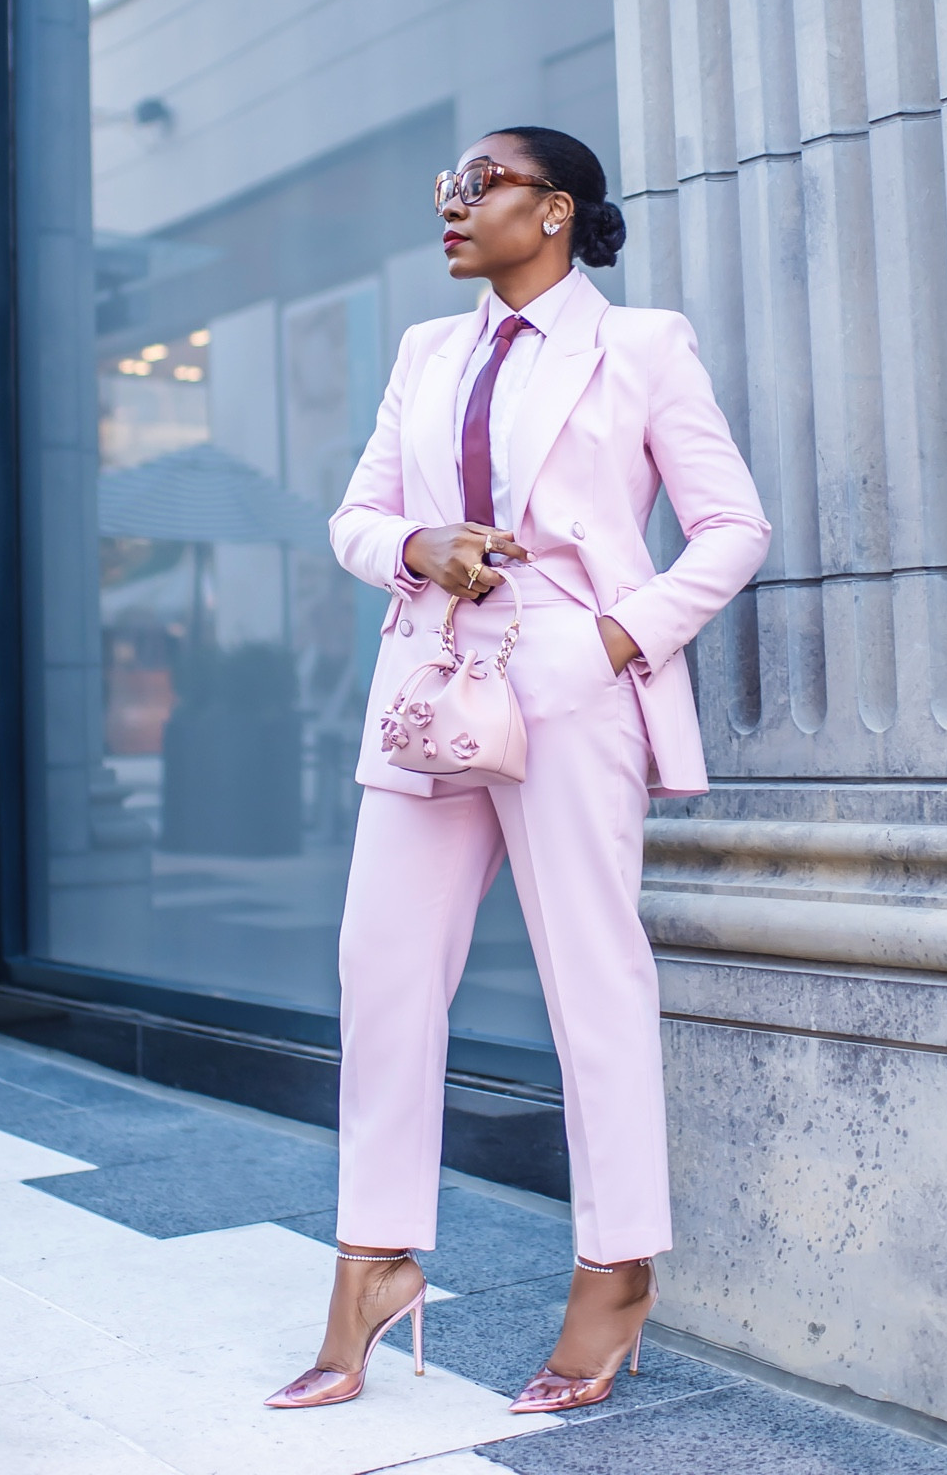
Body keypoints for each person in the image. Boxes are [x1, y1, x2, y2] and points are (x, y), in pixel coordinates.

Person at [266, 126, 769, 1414]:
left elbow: (732, 526)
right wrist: (418, 544)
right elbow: (354, 516)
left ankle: (616, 1275)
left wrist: (618, 637)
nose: (451, 204)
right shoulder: (425, 353)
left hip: (568, 676)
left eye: (475, 185)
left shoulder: (642, 345)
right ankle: (373, 1262)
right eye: (446, 186)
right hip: (430, 681)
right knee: (381, 965)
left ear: (553, 210)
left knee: (589, 976)